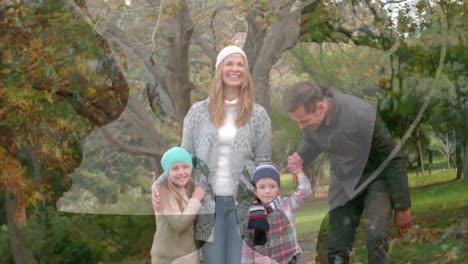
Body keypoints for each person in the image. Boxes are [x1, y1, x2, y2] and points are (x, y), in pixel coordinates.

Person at [152, 45, 272, 264]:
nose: (235, 69)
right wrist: (158, 185)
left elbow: (264, 161)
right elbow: (184, 156)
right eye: (229, 63)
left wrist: (269, 198)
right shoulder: (197, 113)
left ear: (245, 71)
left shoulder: (259, 115)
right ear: (219, 70)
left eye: (240, 64)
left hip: (244, 204)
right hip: (206, 205)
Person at [284, 81, 412, 264]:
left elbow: (393, 158)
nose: (301, 126)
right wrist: (300, 158)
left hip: (375, 177)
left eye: (303, 120)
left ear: (320, 107)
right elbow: (311, 143)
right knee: (337, 245)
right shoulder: (311, 124)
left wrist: (403, 207)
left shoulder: (361, 114)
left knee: (375, 235)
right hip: (343, 179)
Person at [241, 161, 312, 264]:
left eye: (272, 186)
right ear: (255, 191)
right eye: (262, 187)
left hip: (288, 259)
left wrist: (299, 172)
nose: (267, 191)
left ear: (278, 189)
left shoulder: (287, 205)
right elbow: (247, 245)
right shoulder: (251, 214)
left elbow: (305, 190)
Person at [150, 146, 206, 264]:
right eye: (175, 168)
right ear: (167, 172)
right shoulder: (164, 193)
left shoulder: (189, 188)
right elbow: (179, 224)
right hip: (168, 258)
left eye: (185, 167)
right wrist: (195, 200)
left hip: (187, 256)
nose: (181, 172)